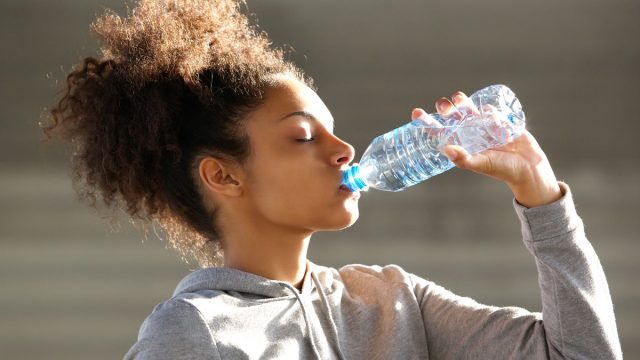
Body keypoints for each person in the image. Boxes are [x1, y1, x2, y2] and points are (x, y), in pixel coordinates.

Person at [42, 0, 622, 359]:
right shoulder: (194, 333)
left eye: (334, 130)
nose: (344, 149)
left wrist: (539, 193)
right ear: (223, 175)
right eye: (302, 136)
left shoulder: (393, 302)